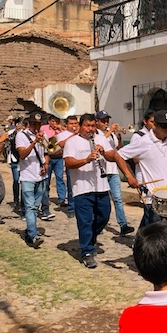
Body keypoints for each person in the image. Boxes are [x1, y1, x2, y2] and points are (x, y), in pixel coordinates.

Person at [113, 110, 167, 229]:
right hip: (153, 196)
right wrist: (129, 176)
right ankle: (140, 245)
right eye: (164, 126)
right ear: (155, 125)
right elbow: (119, 155)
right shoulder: (144, 142)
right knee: (154, 230)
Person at [63, 113, 112, 269]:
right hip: (82, 187)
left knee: (104, 216)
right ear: (80, 126)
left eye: (92, 126)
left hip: (101, 185)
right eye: (87, 126)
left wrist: (104, 152)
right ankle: (87, 252)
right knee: (85, 221)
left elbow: (112, 156)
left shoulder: (101, 139)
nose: (90, 129)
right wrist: (86, 160)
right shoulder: (72, 142)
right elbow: (69, 162)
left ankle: (90, 239)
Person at [96, 110, 134, 235]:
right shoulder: (95, 134)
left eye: (107, 121)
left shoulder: (110, 135)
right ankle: (97, 223)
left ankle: (123, 225)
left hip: (113, 169)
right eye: (103, 121)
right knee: (101, 199)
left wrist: (119, 136)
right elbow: (100, 142)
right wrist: (110, 131)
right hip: (100, 170)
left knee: (117, 198)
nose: (105, 123)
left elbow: (119, 149)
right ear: (97, 122)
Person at [15, 111, 50, 248]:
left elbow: (47, 152)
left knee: (35, 207)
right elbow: (23, 155)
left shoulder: (44, 135)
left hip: (41, 176)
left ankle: (30, 232)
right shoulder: (21, 136)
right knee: (30, 207)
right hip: (27, 176)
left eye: (38, 124)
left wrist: (46, 164)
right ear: (29, 124)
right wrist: (34, 141)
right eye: (34, 124)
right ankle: (33, 234)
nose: (36, 126)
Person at [42, 115, 67, 209]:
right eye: (53, 121)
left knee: (59, 178)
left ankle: (62, 199)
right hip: (48, 156)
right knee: (46, 179)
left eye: (56, 121)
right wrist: (53, 137)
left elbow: (69, 134)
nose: (54, 123)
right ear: (49, 121)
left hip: (59, 157)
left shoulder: (61, 130)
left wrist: (62, 129)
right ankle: (45, 198)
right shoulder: (43, 128)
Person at [57, 115, 80, 218]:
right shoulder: (62, 134)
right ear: (66, 125)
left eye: (75, 123)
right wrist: (74, 135)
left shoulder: (81, 134)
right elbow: (61, 144)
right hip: (70, 162)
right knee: (71, 186)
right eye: (71, 124)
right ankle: (71, 208)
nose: (74, 126)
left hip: (82, 161)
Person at [7, 117, 23, 212]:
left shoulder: (24, 134)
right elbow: (10, 141)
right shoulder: (11, 133)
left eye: (20, 124)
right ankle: (16, 200)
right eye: (17, 124)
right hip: (14, 159)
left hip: (23, 160)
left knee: (23, 181)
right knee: (16, 180)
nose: (18, 125)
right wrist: (15, 133)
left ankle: (23, 201)